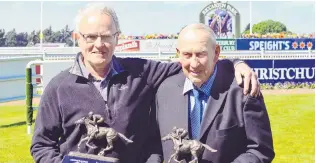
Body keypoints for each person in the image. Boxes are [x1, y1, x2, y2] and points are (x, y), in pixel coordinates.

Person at [30, 3, 260, 163]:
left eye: (106, 36)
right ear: (77, 38)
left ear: (117, 37)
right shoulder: (58, 87)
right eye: (90, 36)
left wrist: (236, 63)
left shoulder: (141, 71)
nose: (99, 44)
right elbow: (41, 145)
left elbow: (193, 63)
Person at [154, 24, 275, 163]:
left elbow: (260, 150)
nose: (194, 63)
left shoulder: (244, 91)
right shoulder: (164, 91)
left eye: (201, 54)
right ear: (178, 53)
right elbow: (154, 146)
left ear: (216, 52)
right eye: (187, 54)